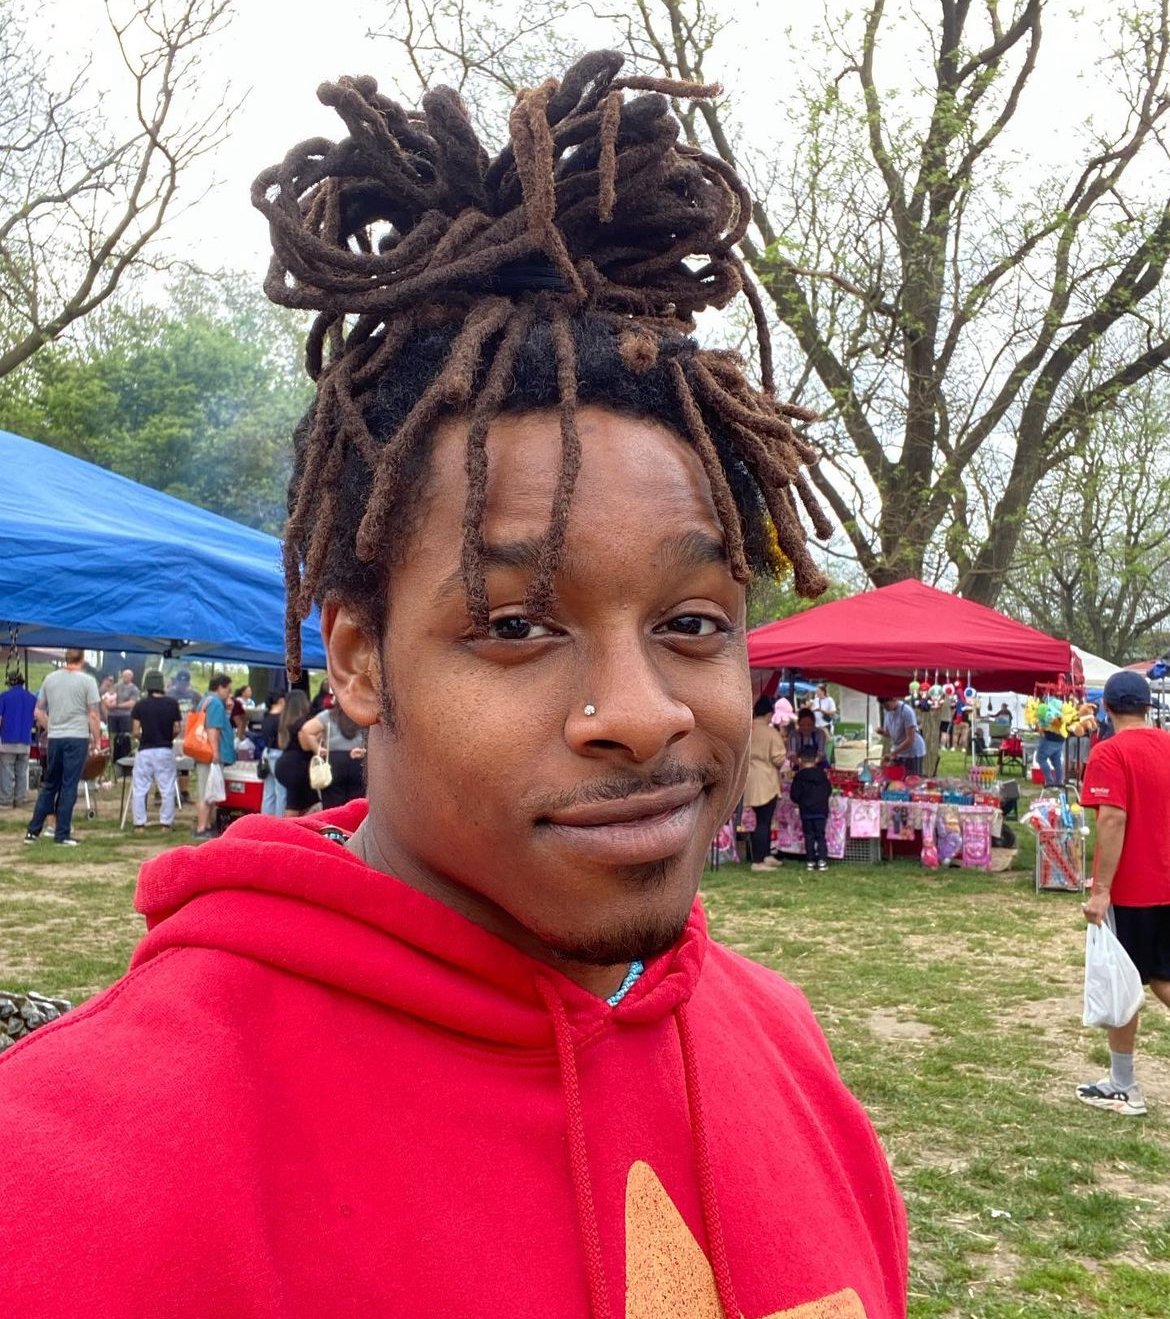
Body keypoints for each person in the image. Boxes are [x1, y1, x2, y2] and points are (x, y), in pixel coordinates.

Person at [0, 56, 907, 1318]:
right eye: (518, 623)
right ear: (359, 660)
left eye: (692, 621)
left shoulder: (786, 1046)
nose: (642, 710)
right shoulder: (68, 1188)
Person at [1077, 672, 1170, 1118]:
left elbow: (1112, 819)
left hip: (1134, 888)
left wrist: (1101, 890)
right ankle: (1121, 1083)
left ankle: (1123, 1084)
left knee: (1123, 981)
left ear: (1106, 708)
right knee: (1162, 977)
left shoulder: (1110, 752)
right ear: (1148, 707)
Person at [23, 648, 100, 847]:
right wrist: (97, 740)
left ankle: (32, 831)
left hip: (55, 738)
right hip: (77, 737)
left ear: (66, 659)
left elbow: (38, 711)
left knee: (50, 784)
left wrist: (51, 728)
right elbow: (93, 714)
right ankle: (62, 833)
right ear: (83, 659)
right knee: (69, 785)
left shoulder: (50, 679)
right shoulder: (88, 681)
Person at [129, 671, 181, 831]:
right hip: (165, 749)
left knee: (140, 787)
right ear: (161, 685)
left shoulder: (140, 705)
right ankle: (166, 823)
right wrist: (168, 737)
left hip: (145, 750)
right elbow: (177, 728)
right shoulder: (172, 704)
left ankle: (139, 824)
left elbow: (135, 731)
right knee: (167, 787)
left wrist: (145, 737)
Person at [743, 696, 786, 871]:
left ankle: (766, 855)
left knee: (763, 820)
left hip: (750, 777)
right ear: (769, 714)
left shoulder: (748, 730)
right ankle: (758, 860)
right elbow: (779, 758)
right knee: (763, 821)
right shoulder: (771, 733)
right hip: (766, 779)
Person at [193, 674, 236, 840]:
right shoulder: (216, 703)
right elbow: (213, 729)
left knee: (208, 790)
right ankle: (201, 828)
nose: (228, 693)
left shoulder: (205, 700)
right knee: (206, 791)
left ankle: (207, 825)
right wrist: (215, 752)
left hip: (203, 753)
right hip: (210, 754)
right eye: (227, 689)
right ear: (220, 687)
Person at [301, 704, 368, 810]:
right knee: (356, 802)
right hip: (358, 760)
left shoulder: (328, 715)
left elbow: (306, 729)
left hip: (334, 762)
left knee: (332, 804)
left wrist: (317, 749)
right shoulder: (362, 714)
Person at [272, 688, 316, 816]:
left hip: (283, 764)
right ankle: (288, 828)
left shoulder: (283, 722)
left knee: (296, 801)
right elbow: (307, 747)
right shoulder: (304, 724)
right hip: (298, 766)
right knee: (295, 804)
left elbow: (281, 743)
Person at [0, 668, 39, 808]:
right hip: (25, 740)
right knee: (22, 772)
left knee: (7, 771)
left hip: (7, 740)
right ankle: (20, 799)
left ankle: (6, 800)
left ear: (9, 683)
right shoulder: (32, 698)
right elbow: (36, 719)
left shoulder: (3, 697)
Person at [790, 750, 832, 872]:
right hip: (821, 811)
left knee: (809, 836)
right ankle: (822, 861)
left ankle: (810, 861)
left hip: (806, 811)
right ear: (816, 759)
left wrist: (801, 801)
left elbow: (794, 795)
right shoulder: (822, 775)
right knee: (820, 836)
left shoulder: (799, 776)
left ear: (800, 760)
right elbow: (828, 790)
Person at [878, 696, 926, 777]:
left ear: (894, 699)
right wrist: (883, 732)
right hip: (898, 751)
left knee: (912, 778)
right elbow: (893, 734)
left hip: (912, 751)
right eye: (883, 706)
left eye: (887, 705)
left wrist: (893, 753)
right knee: (897, 777)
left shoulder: (906, 711)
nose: (885, 708)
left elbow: (910, 739)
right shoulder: (887, 712)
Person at [259, 692, 288, 816]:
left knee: (268, 791)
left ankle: (266, 819)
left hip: (266, 753)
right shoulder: (281, 719)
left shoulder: (266, 717)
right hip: (278, 755)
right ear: (280, 700)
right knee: (281, 791)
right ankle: (279, 820)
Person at [109, 668, 139, 761]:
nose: (124, 677)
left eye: (127, 676)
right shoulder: (116, 686)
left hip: (126, 716)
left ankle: (125, 757)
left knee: (125, 737)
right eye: (124, 675)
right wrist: (109, 703)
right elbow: (109, 696)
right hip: (113, 716)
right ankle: (113, 758)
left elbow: (132, 703)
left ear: (131, 677)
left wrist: (117, 705)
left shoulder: (134, 689)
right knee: (114, 737)